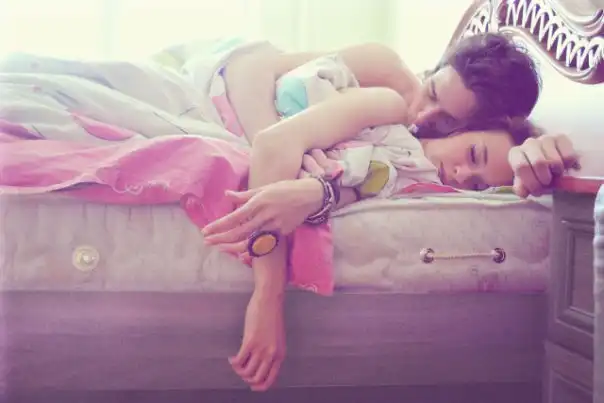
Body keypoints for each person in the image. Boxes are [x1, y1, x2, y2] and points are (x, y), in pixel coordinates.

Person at [191, 32, 577, 392]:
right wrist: (281, 145)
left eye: (446, 121)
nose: (422, 116)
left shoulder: (417, 162)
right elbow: (254, 71)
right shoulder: (387, 76)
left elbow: (372, 175)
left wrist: (541, 152)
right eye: (432, 91)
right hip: (232, 74)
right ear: (437, 68)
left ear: (469, 127)